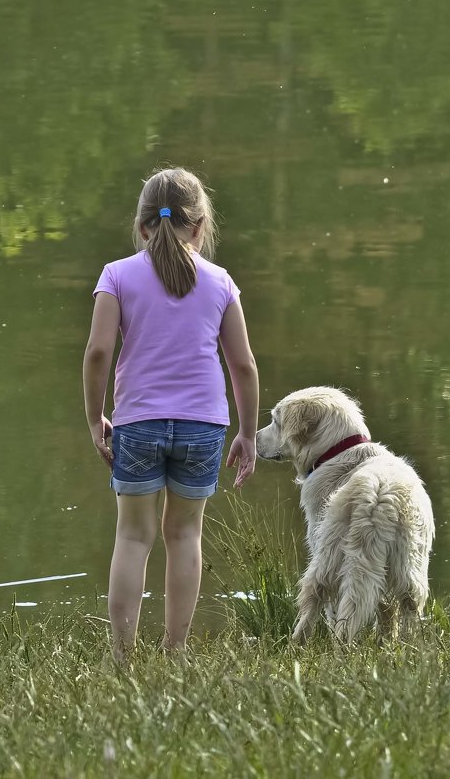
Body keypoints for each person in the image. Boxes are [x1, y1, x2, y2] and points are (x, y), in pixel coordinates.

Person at [82, 167, 259, 662]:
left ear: (142, 227)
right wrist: (247, 432)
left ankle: (122, 655)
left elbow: (97, 352)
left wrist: (95, 418)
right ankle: (175, 650)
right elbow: (242, 364)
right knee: (185, 534)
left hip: (137, 422)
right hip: (204, 425)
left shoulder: (117, 275)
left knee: (133, 536)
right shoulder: (220, 282)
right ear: (200, 225)